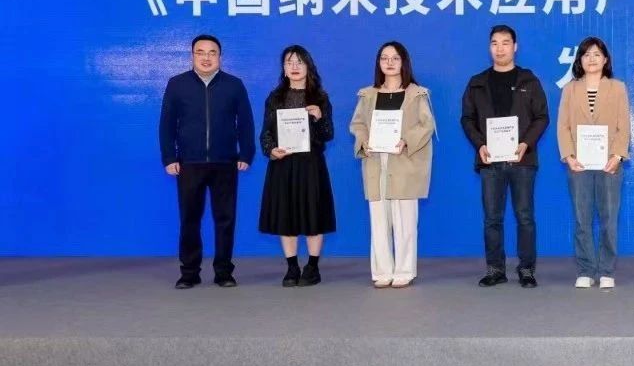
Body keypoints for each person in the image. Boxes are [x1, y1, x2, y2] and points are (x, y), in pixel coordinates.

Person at [159, 34, 255, 289]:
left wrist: (246, 153)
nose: (206, 57)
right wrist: (169, 157)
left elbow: (246, 122)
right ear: (192, 55)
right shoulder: (177, 84)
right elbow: (167, 124)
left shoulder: (234, 85)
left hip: (225, 162)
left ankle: (223, 272)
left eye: (212, 52)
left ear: (220, 57)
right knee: (190, 219)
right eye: (200, 52)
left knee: (225, 219)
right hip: (189, 163)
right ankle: (189, 272)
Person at [460, 25, 550, 288]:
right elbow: (467, 119)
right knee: (492, 218)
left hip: (522, 160)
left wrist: (525, 143)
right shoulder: (477, 83)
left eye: (505, 43)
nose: (500, 49)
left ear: (515, 47)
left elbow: (542, 117)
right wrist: (479, 144)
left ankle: (527, 269)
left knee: (525, 217)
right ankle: (495, 269)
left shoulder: (529, 80)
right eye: (495, 43)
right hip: (490, 161)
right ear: (489, 47)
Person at [349, 41, 435, 288]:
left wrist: (406, 141)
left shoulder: (416, 94)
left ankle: (405, 270)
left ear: (403, 62)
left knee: (405, 221)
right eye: (384, 58)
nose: (389, 62)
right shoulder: (368, 95)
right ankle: (382, 271)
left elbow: (426, 125)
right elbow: (357, 124)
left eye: (395, 58)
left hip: (404, 163)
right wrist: (364, 142)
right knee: (379, 221)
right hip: (376, 163)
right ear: (378, 63)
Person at [257, 45, 336, 288]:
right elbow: (265, 133)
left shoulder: (320, 98)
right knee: (286, 215)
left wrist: (319, 117)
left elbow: (328, 134)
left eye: (299, 62)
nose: (294, 67)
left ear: (308, 66)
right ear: (283, 68)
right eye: (289, 62)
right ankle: (292, 266)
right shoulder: (275, 98)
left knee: (313, 214)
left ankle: (312, 266)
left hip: (311, 164)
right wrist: (271, 150)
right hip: (283, 163)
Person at [556, 37, 631, 290]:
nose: (592, 59)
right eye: (586, 54)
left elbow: (624, 126)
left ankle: (606, 269)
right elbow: (563, 126)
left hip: (610, 164)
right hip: (579, 165)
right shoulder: (570, 89)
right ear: (580, 59)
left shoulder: (618, 88)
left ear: (605, 59)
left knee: (609, 219)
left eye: (597, 54)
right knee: (582, 218)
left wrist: (617, 156)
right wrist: (569, 156)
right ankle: (586, 269)